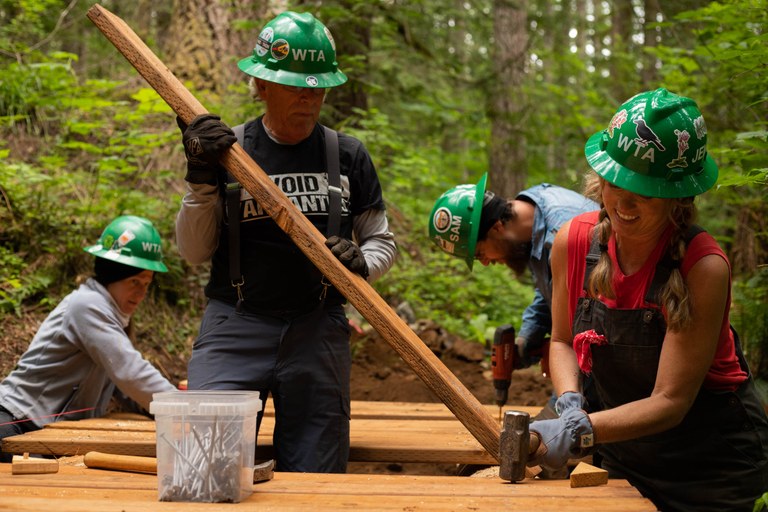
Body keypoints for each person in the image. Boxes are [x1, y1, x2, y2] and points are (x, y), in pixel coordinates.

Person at [174, 11, 396, 474]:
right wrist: (200, 178)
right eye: (297, 86)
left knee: (317, 478)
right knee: (205, 471)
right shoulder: (228, 152)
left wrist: (363, 262)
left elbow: (381, 241)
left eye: (318, 88)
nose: (309, 98)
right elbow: (194, 252)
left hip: (317, 330)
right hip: (234, 324)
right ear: (261, 85)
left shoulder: (348, 155)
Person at [527, 88, 768, 511]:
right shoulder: (574, 241)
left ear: (678, 195)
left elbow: (670, 402)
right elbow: (562, 340)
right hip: (624, 452)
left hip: (712, 470)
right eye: (615, 181)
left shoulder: (702, 267)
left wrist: (581, 430)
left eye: (646, 190)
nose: (623, 200)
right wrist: (570, 404)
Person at [0, 215, 175, 462]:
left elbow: (123, 387)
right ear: (112, 274)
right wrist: (186, 408)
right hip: (14, 423)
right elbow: (129, 371)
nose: (141, 292)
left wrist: (161, 408)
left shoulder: (110, 314)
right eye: (134, 281)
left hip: (44, 432)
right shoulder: (87, 306)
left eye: (146, 283)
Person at [429, 173, 598, 377]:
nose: (485, 262)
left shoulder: (562, 234)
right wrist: (527, 339)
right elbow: (556, 287)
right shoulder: (532, 215)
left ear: (497, 227)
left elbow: (591, 321)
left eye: (479, 254)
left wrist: (556, 354)